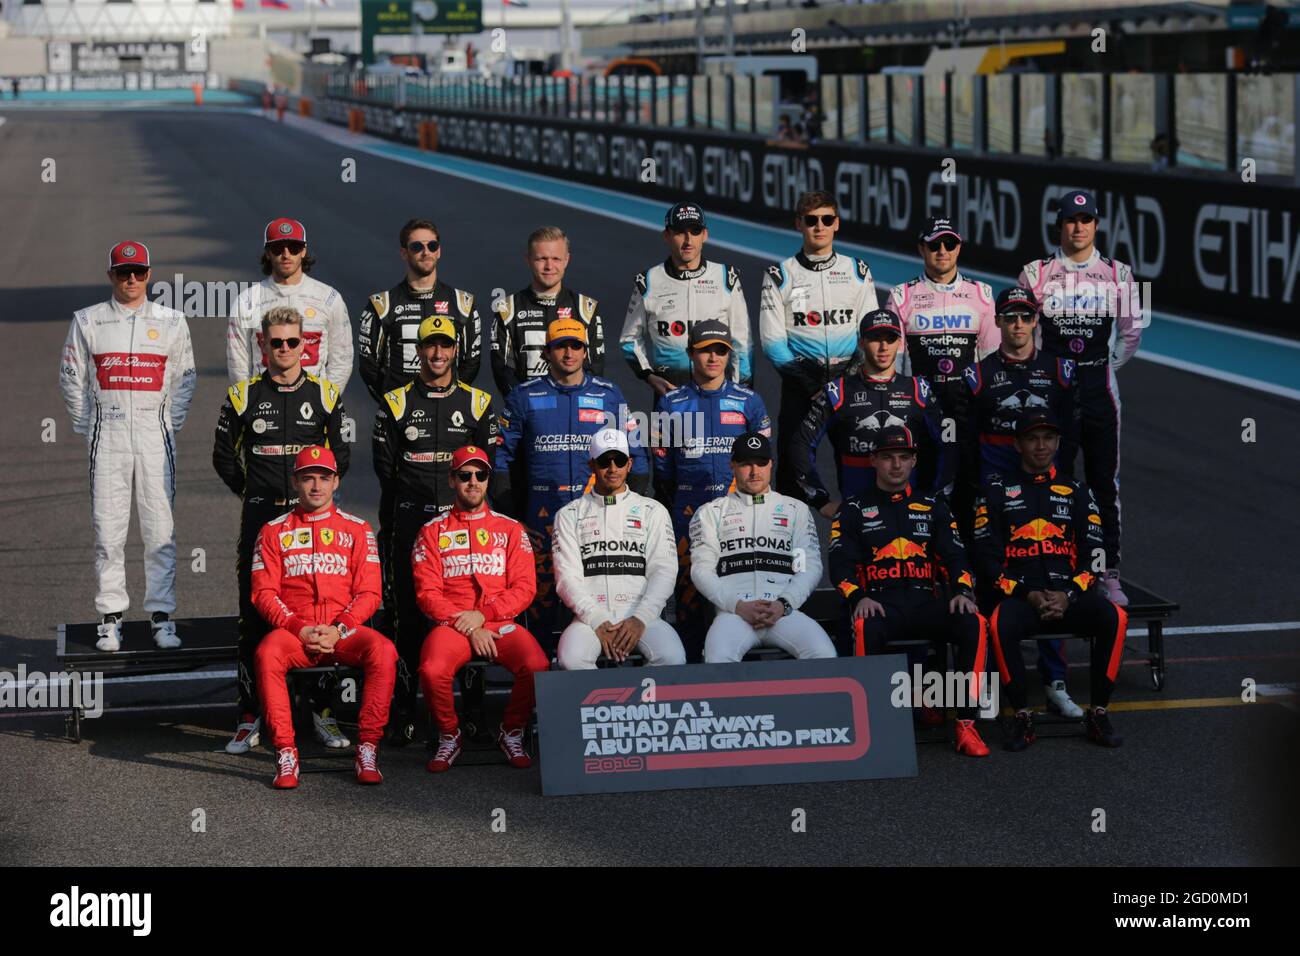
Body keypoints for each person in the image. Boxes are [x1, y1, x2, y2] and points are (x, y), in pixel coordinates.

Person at [213, 305, 352, 754]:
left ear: (306, 345)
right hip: (261, 521)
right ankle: (250, 715)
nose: (286, 349)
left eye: (294, 341)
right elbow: (223, 459)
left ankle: (323, 713)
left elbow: (341, 459)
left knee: (322, 614)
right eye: (277, 342)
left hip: (314, 524)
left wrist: (313, 500)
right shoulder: (242, 396)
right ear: (263, 346)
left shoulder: (327, 395)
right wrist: (256, 494)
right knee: (254, 619)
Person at [59, 241, 197, 652]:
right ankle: (110, 618)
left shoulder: (172, 321)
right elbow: (71, 378)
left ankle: (161, 616)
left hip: (155, 437)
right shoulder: (88, 321)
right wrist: (92, 425)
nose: (132, 279)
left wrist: (166, 424)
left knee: (160, 529)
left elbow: (185, 378)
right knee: (109, 529)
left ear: (150, 274)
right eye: (123, 273)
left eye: (138, 272)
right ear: (111, 277)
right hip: (109, 436)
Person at [827, 426, 990, 757]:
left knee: (974, 622)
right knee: (861, 625)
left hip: (924, 604)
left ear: (914, 461)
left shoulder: (933, 506)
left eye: (904, 457)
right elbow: (840, 567)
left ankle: (966, 725)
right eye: (888, 458)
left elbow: (956, 556)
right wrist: (858, 597)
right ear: (873, 461)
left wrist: (962, 590)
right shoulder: (853, 509)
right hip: (879, 606)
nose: (896, 465)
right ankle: (869, 728)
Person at [972, 409, 1128, 751]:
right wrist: (1027, 593)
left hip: (1067, 595)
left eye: (1048, 438)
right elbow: (985, 559)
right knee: (999, 624)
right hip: (1020, 596)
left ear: (1058, 443)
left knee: (1114, 617)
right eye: (1032, 438)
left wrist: (1070, 594)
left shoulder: (1077, 492)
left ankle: (1099, 711)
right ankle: (1022, 714)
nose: (1041, 446)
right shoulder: (996, 491)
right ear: (1017, 444)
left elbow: (1096, 555)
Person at [960, 286, 1081, 717]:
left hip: (1048, 488)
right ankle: (994, 678)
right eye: (1009, 317)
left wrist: (1060, 483)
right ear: (998, 322)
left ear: (1035, 321)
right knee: (994, 578)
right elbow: (967, 439)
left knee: (1053, 571)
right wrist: (978, 490)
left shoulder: (1062, 369)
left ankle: (1055, 681)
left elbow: (1070, 432)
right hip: (995, 492)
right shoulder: (978, 374)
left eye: (1025, 317)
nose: (1017, 325)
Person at [1019, 189, 1142, 605]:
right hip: (1054, 393)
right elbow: (1027, 334)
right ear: (1060, 224)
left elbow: (1131, 334)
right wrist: (1050, 374)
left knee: (1104, 483)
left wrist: (1102, 368)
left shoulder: (1119, 273)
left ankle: (1108, 572)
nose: (1078, 227)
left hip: (1100, 392)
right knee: (1054, 482)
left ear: (1096, 223)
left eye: (1085, 220)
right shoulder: (1035, 272)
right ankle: (1060, 565)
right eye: (1071, 220)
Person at [373, 315, 496, 730]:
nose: (438, 353)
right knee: (407, 618)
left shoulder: (478, 402)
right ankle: (406, 708)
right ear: (418, 350)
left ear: (456, 350)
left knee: (469, 613)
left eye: (445, 345)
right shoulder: (394, 402)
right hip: (411, 525)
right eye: (430, 346)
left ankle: (474, 711)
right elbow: (386, 471)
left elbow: (485, 471)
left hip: (465, 529)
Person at [251, 446, 399, 788]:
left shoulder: (358, 529)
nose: (316, 486)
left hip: (343, 630)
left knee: (384, 651)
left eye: (324, 478)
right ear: (295, 483)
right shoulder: (272, 531)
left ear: (336, 482)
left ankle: (367, 747)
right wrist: (299, 628)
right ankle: (286, 752)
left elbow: (370, 594)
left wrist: (340, 628)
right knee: (267, 654)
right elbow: (263, 593)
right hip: (296, 631)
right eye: (308, 478)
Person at [496, 318, 649, 635]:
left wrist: (627, 509)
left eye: (576, 346)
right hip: (540, 518)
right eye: (560, 346)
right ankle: (544, 675)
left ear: (585, 351)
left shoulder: (609, 395)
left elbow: (637, 455)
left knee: (595, 598)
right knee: (541, 602)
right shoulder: (524, 396)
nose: (569, 353)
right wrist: (511, 518)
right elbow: (500, 460)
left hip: (595, 515)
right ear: (547, 352)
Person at [412, 445, 548, 773]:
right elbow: (426, 593)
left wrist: (484, 617)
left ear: (488, 480)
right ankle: (449, 734)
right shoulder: (431, 532)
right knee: (431, 670)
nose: (473, 482)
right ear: (451, 480)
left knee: (538, 665)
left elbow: (525, 588)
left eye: (480, 475)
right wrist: (470, 625)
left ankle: (511, 730)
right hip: (452, 624)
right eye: (464, 475)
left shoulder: (511, 529)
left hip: (499, 621)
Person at [652, 320, 771, 660]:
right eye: (705, 351)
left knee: (741, 592)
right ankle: (689, 671)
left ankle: (745, 672)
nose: (713, 357)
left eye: (720, 351)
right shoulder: (671, 402)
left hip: (739, 512)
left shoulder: (749, 401)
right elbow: (662, 464)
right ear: (691, 354)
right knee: (688, 597)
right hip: (687, 511)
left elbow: (762, 464)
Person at [759, 190, 876, 498]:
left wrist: (845, 380)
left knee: (859, 466)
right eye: (811, 220)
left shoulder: (857, 271)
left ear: (837, 223)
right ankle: (790, 541)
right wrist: (812, 386)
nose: (819, 226)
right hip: (801, 387)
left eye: (826, 219)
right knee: (792, 473)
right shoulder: (780, 275)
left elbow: (870, 333)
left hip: (849, 383)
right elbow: (773, 342)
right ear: (799, 224)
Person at [690, 433, 835, 662]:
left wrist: (783, 604)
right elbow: (701, 571)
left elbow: (808, 567)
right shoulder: (710, 512)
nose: (754, 471)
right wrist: (738, 606)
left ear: (771, 465)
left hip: (783, 611)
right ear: (732, 466)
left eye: (761, 463)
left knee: (824, 653)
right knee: (717, 658)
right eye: (746, 464)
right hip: (734, 614)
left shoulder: (795, 509)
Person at [790, 309, 949, 519]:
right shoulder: (838, 391)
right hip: (856, 515)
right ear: (861, 343)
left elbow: (951, 439)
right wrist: (821, 500)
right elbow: (800, 443)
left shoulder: (919, 389)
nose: (883, 347)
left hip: (911, 513)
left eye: (890, 339)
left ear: (899, 344)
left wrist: (939, 494)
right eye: (875, 339)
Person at [554, 430, 685, 669]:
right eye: (605, 461)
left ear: (630, 464)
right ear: (592, 464)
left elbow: (664, 571)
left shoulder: (653, 510)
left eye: (620, 460)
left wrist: (641, 618)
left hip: (642, 615)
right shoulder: (569, 514)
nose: (613, 468)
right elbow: (566, 578)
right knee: (571, 658)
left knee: (672, 657)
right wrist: (596, 619)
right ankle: (601, 705)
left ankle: (640, 705)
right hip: (589, 619)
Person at [619, 201, 752, 396]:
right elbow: (629, 339)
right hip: (670, 393)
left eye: (695, 231)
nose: (688, 240)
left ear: (704, 235)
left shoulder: (727, 277)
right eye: (680, 232)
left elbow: (743, 342)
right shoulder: (647, 282)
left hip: (718, 393)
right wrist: (648, 375)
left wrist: (742, 392)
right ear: (667, 236)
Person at [358, 217, 482, 404]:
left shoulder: (462, 303)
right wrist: (393, 402)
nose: (426, 252)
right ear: (404, 253)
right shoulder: (382, 305)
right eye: (417, 247)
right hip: (400, 414)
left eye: (432, 246)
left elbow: (471, 363)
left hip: (449, 411)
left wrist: (450, 397)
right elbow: (368, 367)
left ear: (439, 251)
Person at [227, 218, 354, 392]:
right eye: (278, 248)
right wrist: (249, 402)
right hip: (263, 405)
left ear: (303, 251)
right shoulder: (247, 301)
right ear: (268, 253)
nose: (286, 255)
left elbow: (342, 358)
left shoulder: (329, 298)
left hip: (315, 406)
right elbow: (237, 362)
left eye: (293, 248)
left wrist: (326, 402)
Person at [491, 225, 604, 395]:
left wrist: (569, 404)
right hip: (527, 411)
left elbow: (594, 367)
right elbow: (503, 371)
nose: (549, 266)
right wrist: (525, 405)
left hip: (573, 408)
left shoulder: (585, 308)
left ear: (567, 260)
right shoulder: (507, 309)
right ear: (528, 260)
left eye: (556, 259)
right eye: (541, 259)